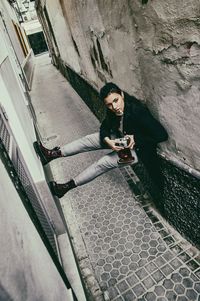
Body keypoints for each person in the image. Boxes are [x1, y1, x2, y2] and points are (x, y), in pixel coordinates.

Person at [33, 82, 168, 198]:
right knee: (88, 140)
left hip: (138, 151)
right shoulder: (112, 109)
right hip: (121, 139)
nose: (114, 107)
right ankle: (51, 155)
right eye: (109, 104)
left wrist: (136, 139)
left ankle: (64, 188)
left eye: (116, 101)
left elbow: (162, 135)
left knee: (103, 163)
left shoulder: (137, 110)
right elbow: (105, 125)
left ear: (121, 94)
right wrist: (107, 140)